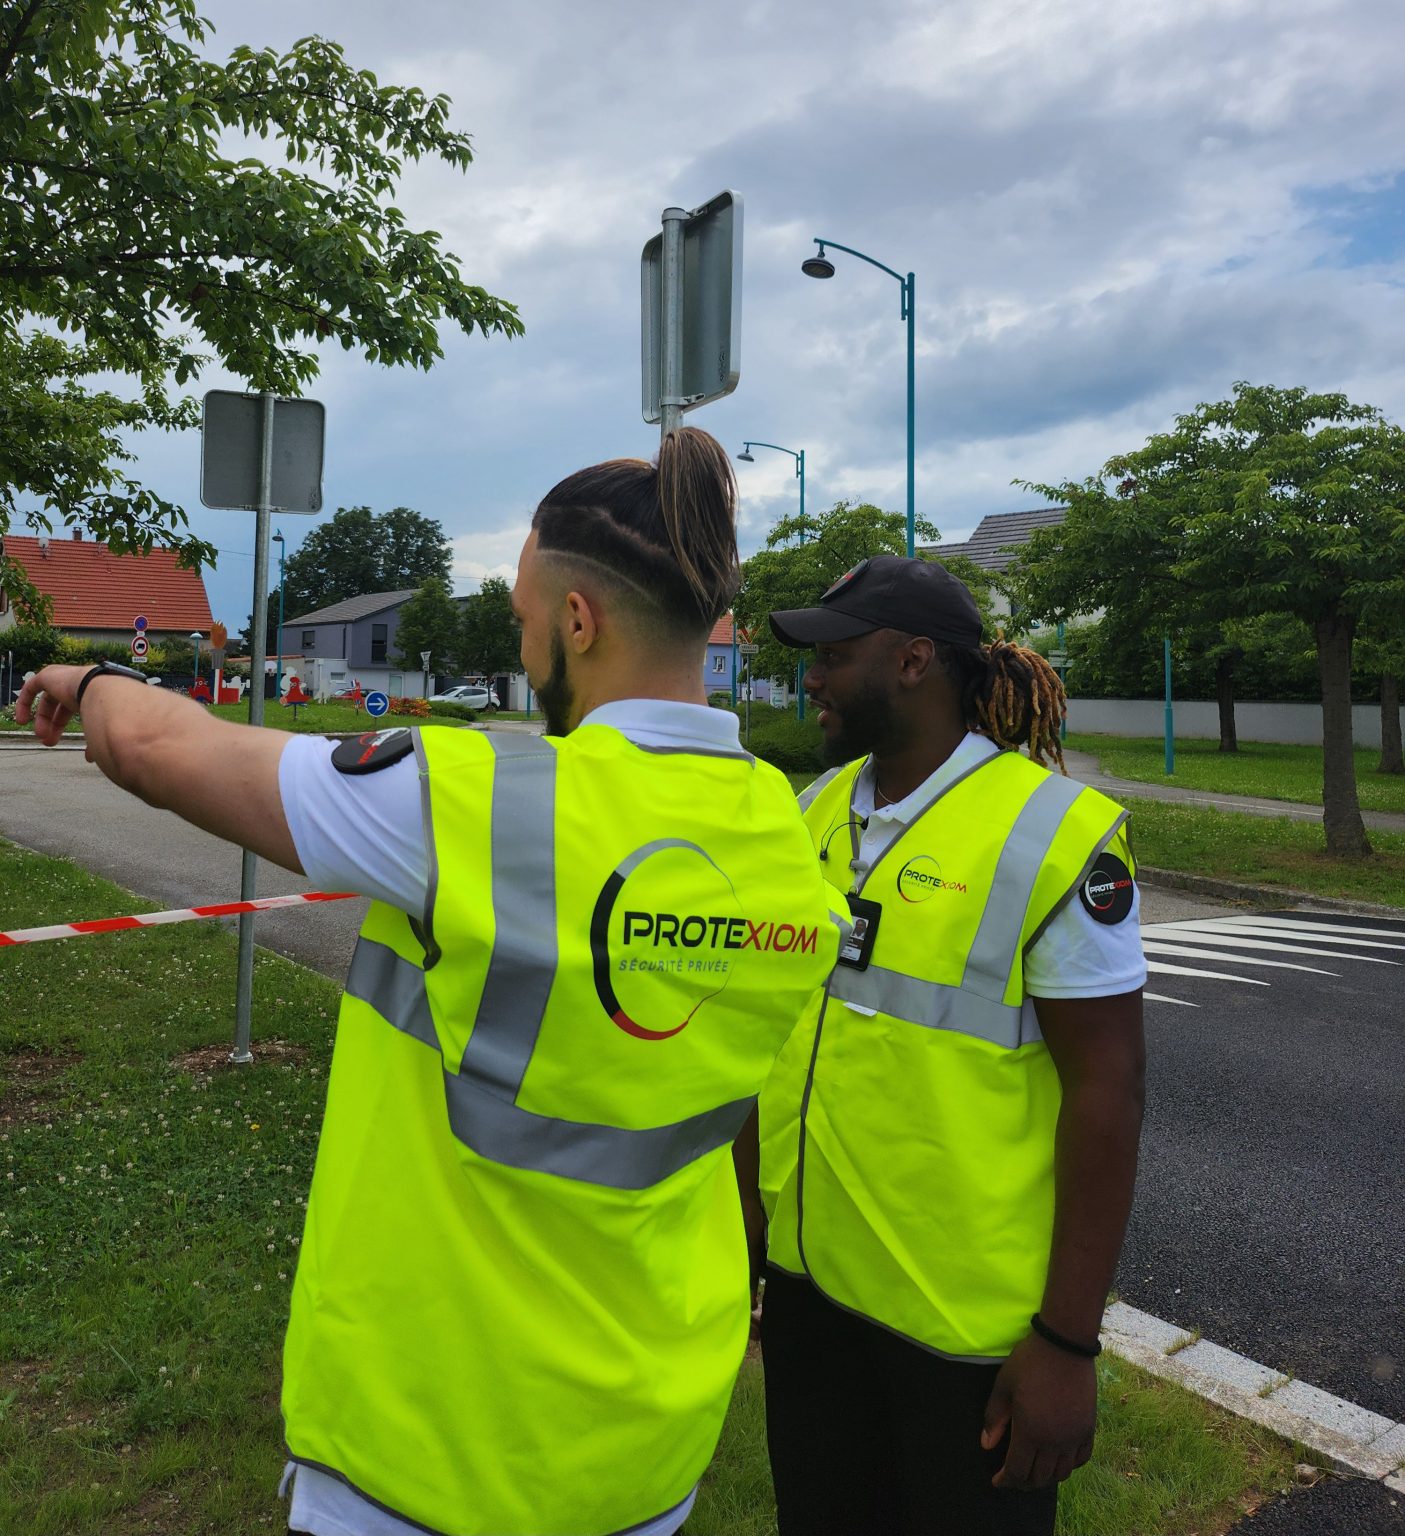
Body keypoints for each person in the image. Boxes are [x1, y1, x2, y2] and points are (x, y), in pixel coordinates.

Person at [17, 427, 844, 1536]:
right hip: (644, 1440)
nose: (521, 632)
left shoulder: (478, 804)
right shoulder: (786, 840)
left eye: (519, 616)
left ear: (577, 622)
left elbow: (163, 751)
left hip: (427, 1444)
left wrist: (90, 673)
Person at [751, 555, 1147, 1536]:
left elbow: (1110, 1088)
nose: (813, 680)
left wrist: (1065, 1343)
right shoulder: (811, 812)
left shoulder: (1052, 835)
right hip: (811, 1300)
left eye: (835, 658)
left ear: (915, 660)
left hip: (965, 1341)